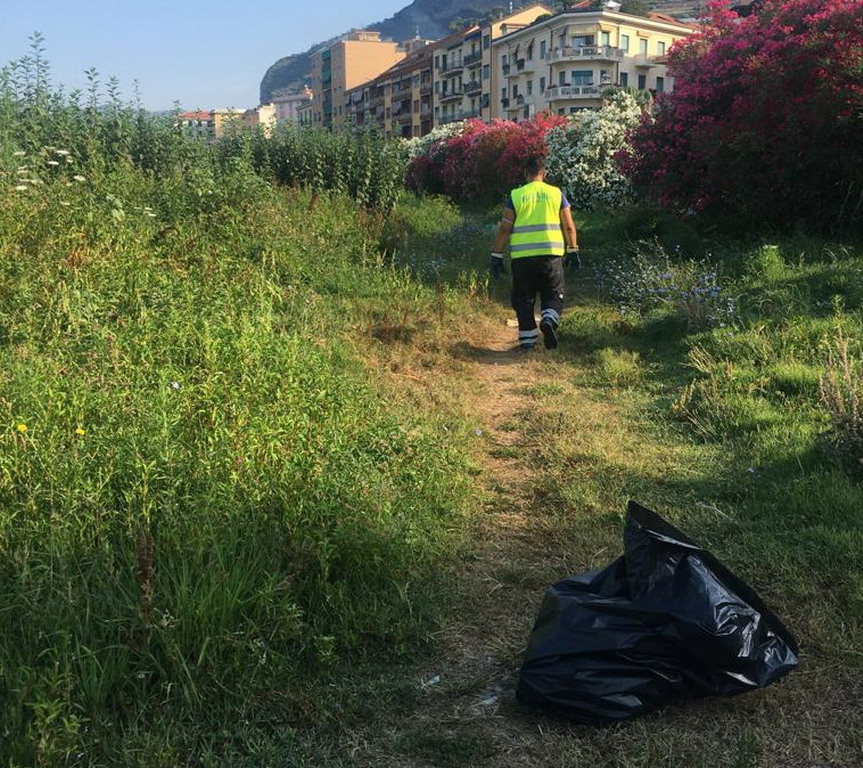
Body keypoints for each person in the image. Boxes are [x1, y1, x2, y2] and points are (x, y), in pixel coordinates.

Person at [490, 155, 579, 351]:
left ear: (525, 173)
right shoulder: (556, 194)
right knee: (553, 293)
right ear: (544, 173)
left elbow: (505, 229)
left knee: (523, 298)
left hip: (522, 258)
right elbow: (569, 226)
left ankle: (528, 342)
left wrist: (496, 255)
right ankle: (549, 320)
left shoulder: (515, 196)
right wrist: (573, 250)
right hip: (551, 255)